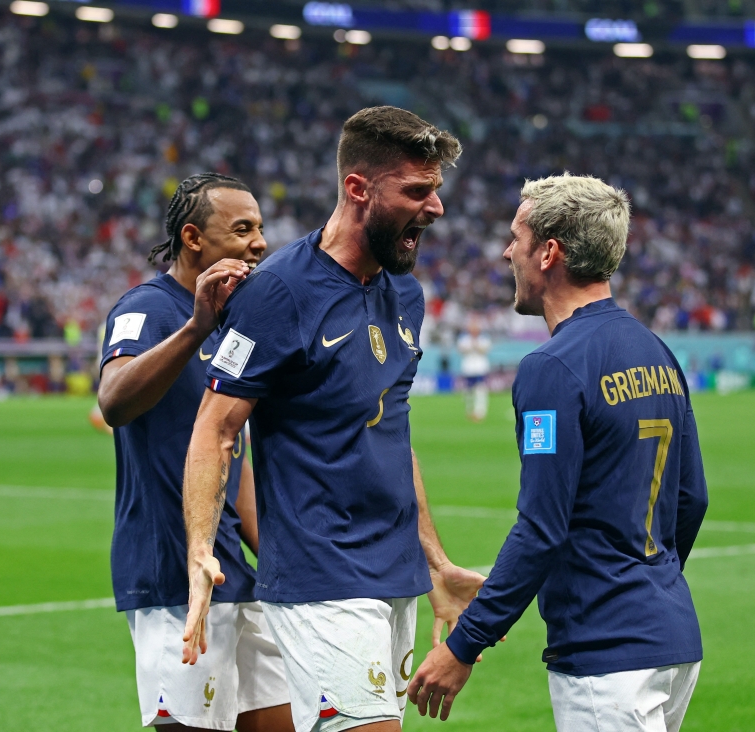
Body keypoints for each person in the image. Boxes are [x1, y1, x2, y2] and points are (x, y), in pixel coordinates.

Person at [181, 106, 486, 732]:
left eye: (437, 190)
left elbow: (392, 435)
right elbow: (215, 426)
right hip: (320, 574)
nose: (435, 209)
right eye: (417, 191)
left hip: (395, 573)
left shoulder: (406, 294)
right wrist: (199, 549)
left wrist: (435, 564)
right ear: (357, 188)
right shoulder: (277, 294)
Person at [409, 174, 709, 731]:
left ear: (548, 253)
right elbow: (692, 499)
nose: (505, 252)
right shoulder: (657, 351)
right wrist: (650, 587)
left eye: (516, 237)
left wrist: (464, 645)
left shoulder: (552, 367)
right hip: (671, 637)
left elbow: (541, 528)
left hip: (605, 653)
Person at [98, 173, 293, 732]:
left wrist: (277, 559)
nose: (258, 242)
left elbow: (235, 460)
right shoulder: (147, 308)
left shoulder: (237, 322)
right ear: (193, 238)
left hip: (235, 574)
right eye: (241, 229)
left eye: (260, 227)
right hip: (172, 574)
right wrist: (193, 328)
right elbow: (113, 400)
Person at [456, 317, 491, 422]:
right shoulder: (464, 339)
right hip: (468, 368)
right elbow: (462, 350)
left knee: (480, 390)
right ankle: (470, 411)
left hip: (480, 367)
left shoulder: (484, 339)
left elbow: (484, 350)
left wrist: (475, 345)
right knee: (468, 391)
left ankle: (480, 411)